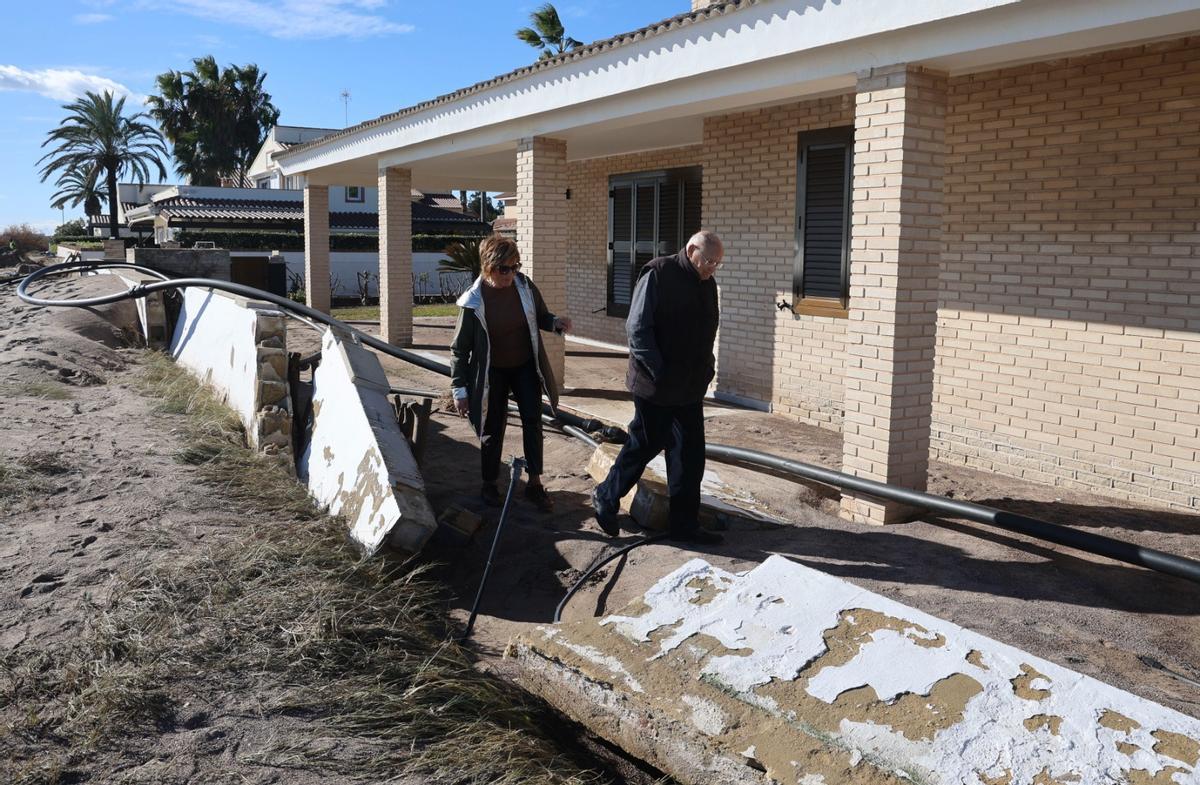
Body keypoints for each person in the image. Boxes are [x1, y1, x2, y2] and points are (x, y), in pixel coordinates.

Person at [591, 230, 725, 545]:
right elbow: (637, 328)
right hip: (656, 384)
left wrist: (708, 366)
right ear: (692, 250)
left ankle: (684, 525)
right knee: (645, 445)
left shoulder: (708, 284)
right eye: (709, 261)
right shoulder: (658, 273)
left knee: (689, 456)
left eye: (718, 264)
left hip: (690, 386)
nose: (712, 269)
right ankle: (606, 497)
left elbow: (709, 326)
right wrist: (659, 372)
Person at [450, 234, 572, 512]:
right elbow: (459, 350)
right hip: (492, 372)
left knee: (533, 421)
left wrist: (555, 323)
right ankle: (490, 483)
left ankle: (535, 483)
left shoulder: (524, 286)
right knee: (492, 428)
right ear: (488, 267)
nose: (511, 273)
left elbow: (541, 315)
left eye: (515, 266)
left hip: (524, 367)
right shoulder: (473, 302)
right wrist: (460, 390)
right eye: (504, 269)